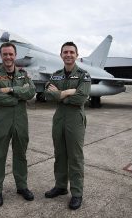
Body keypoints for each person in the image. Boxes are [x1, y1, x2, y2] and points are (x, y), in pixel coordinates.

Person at [0, 42, 36, 207]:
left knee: (20, 154)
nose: (8, 57)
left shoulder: (23, 73)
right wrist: (18, 98)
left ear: (15, 56)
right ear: (1, 56)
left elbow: (31, 92)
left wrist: (12, 90)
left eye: (10, 54)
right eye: (5, 54)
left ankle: (22, 186)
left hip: (21, 121)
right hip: (2, 121)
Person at [44, 42, 91, 210]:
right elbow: (47, 96)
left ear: (76, 55)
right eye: (65, 52)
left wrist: (59, 95)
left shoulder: (83, 75)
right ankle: (61, 186)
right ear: (61, 55)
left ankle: (77, 193)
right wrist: (69, 92)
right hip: (59, 118)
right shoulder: (56, 75)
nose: (68, 54)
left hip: (75, 119)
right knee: (60, 154)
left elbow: (81, 98)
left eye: (72, 52)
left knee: (75, 156)